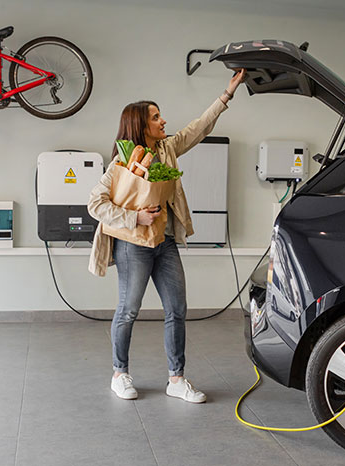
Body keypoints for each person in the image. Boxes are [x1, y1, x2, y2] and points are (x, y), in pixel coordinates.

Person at [87, 69, 247, 403]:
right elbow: (95, 204)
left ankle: (176, 379)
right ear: (141, 126)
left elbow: (198, 128)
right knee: (128, 310)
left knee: (177, 308)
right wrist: (135, 216)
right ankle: (120, 374)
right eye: (156, 118)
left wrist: (226, 95)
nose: (163, 122)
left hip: (165, 242)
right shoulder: (120, 163)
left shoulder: (168, 149)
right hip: (133, 246)